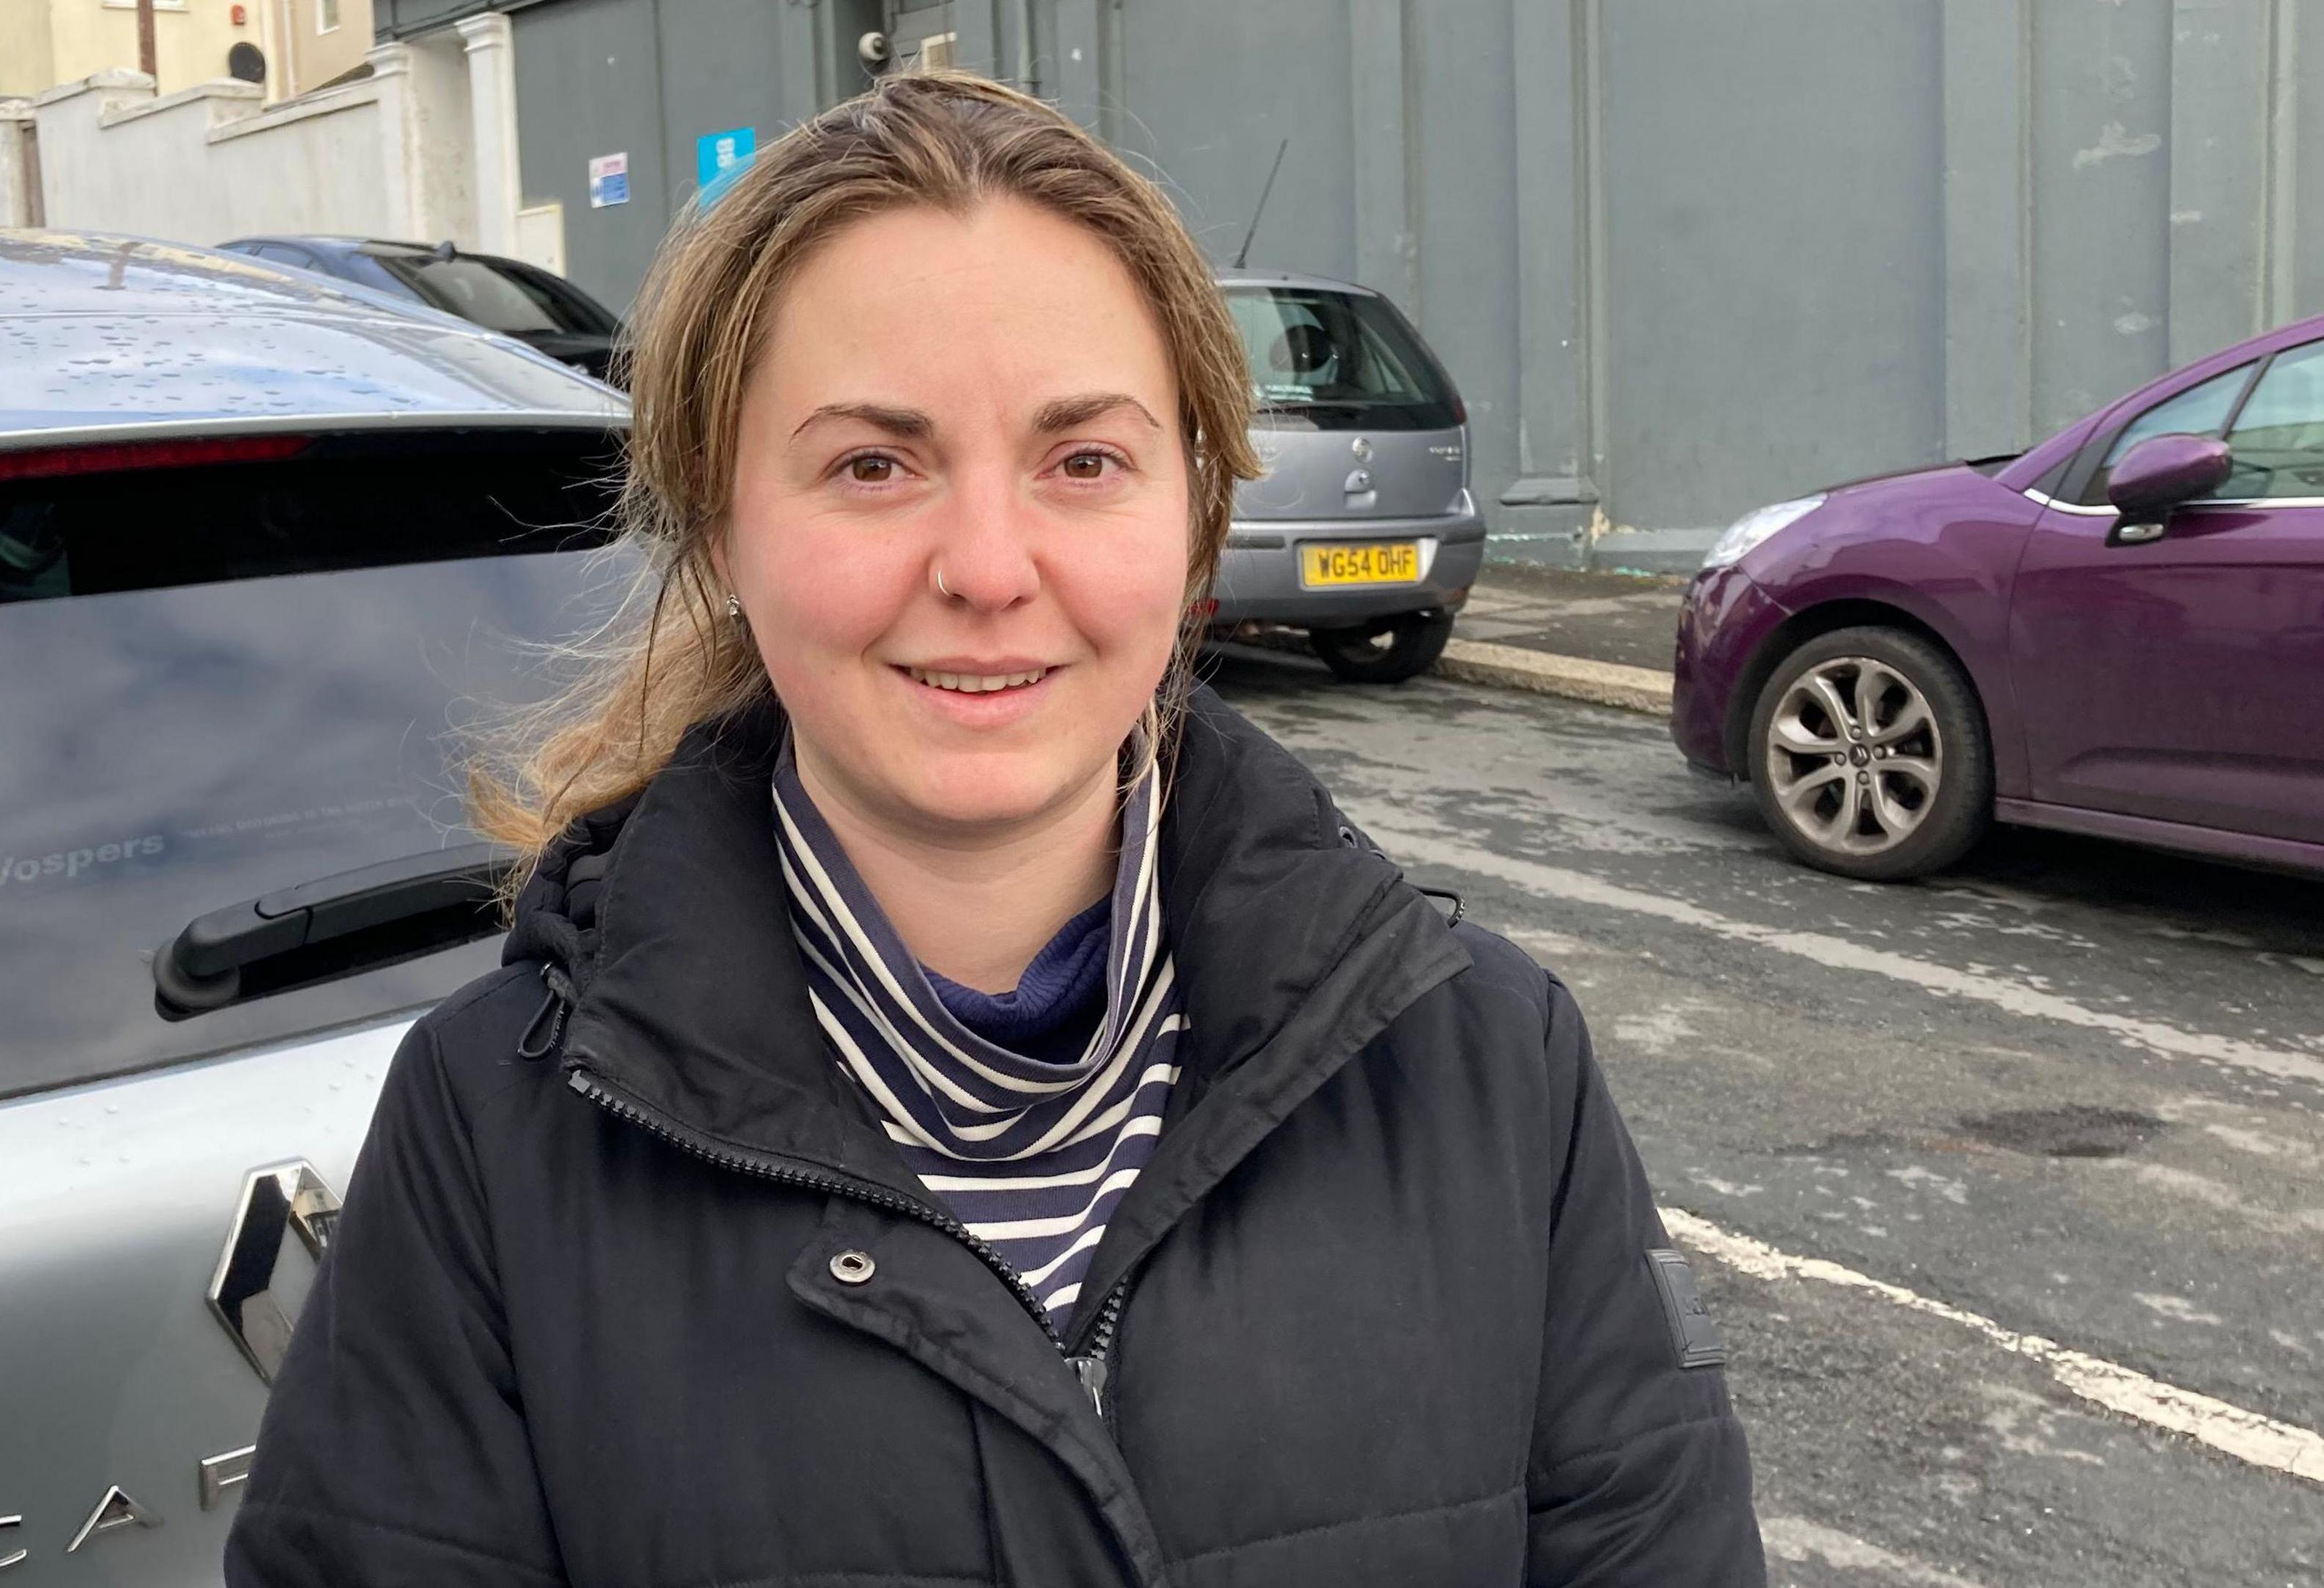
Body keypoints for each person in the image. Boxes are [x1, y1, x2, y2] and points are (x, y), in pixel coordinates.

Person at [227, 71, 1762, 1588]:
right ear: (723, 526)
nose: (986, 564)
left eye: (1083, 461)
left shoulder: (1489, 1065)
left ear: (1192, 518)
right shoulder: (496, 1137)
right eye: (873, 465)